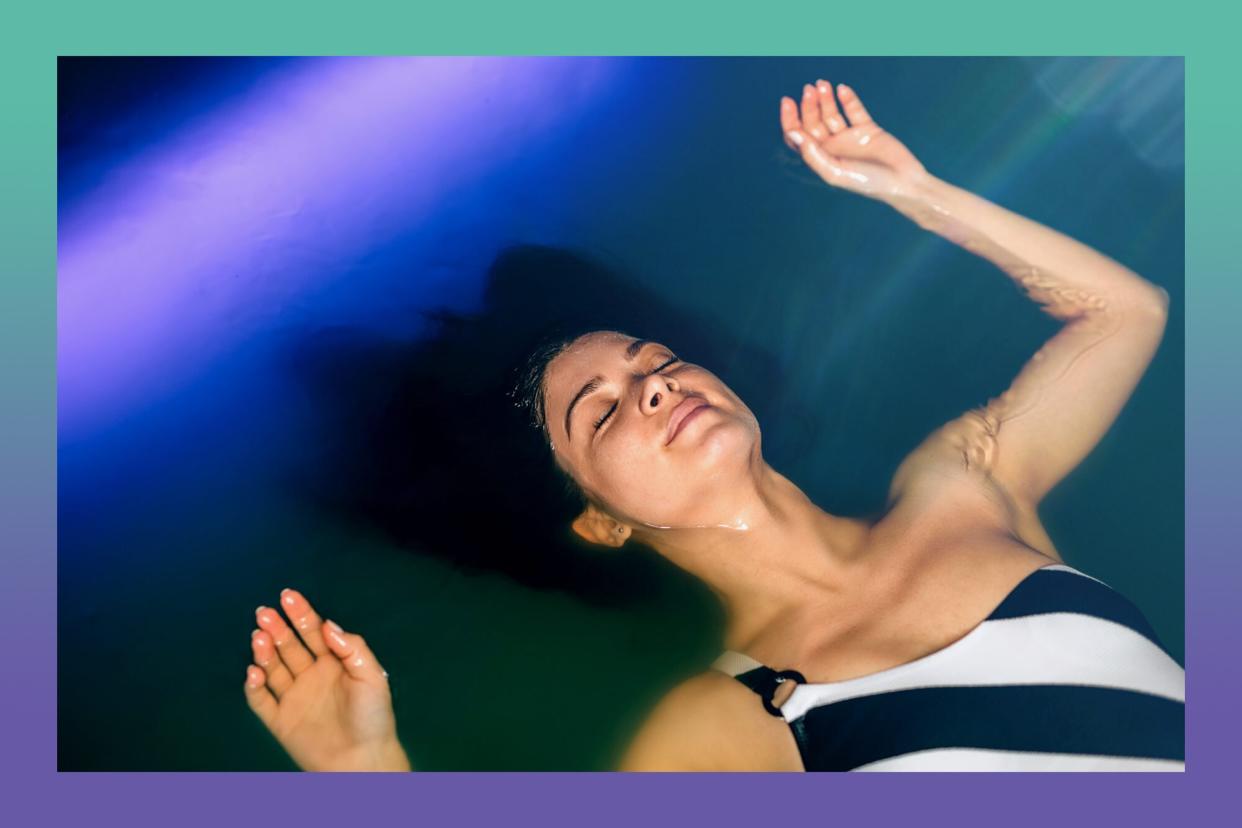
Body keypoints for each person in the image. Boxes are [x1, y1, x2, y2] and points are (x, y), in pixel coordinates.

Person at [241, 79, 1181, 771]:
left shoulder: (961, 487)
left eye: (654, 361)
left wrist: (911, 191)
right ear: (599, 519)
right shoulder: (725, 728)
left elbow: (1122, 314)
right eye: (599, 410)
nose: (651, 388)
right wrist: (364, 775)